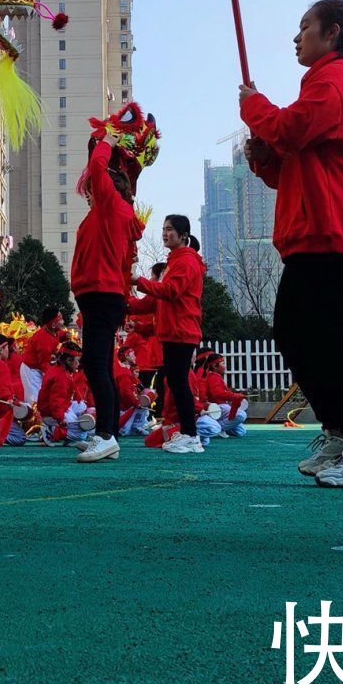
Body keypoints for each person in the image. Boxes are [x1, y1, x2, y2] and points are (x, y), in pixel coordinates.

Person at [242, 0, 343, 490]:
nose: (296, 36)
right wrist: (265, 157)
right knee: (296, 332)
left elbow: (293, 127)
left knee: (322, 338)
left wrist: (254, 107)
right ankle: (341, 432)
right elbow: (292, 161)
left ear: (331, 33)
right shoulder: (327, 82)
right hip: (319, 230)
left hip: (335, 230)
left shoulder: (339, 80)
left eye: (304, 26)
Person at [67, 132, 144, 464]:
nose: (89, 192)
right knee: (98, 363)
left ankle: (106, 435)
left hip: (101, 293)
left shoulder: (112, 207)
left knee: (96, 363)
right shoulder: (111, 213)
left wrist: (107, 144)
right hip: (99, 293)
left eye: (95, 188)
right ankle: (106, 432)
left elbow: (97, 169)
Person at [130, 217, 205, 455]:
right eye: (163, 229)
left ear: (184, 235)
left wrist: (138, 281)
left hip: (182, 330)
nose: (165, 234)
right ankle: (187, 432)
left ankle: (191, 435)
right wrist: (125, 304)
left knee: (179, 382)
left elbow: (170, 292)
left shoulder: (187, 262)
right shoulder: (173, 262)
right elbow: (154, 301)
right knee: (174, 382)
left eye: (170, 230)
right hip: (173, 331)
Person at [18, 308, 64, 414]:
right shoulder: (44, 339)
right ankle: (32, 425)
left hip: (39, 368)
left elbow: (59, 335)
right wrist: (53, 378)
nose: (63, 322)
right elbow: (44, 364)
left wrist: (65, 336)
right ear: (53, 325)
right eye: (60, 319)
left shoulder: (52, 331)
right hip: (31, 370)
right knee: (34, 399)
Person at [196, 352, 250, 437]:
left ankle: (216, 426)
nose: (225, 366)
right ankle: (217, 429)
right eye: (223, 363)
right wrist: (233, 396)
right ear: (214, 366)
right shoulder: (213, 377)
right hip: (218, 406)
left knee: (241, 431)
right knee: (241, 415)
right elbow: (217, 394)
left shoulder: (215, 376)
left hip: (222, 407)